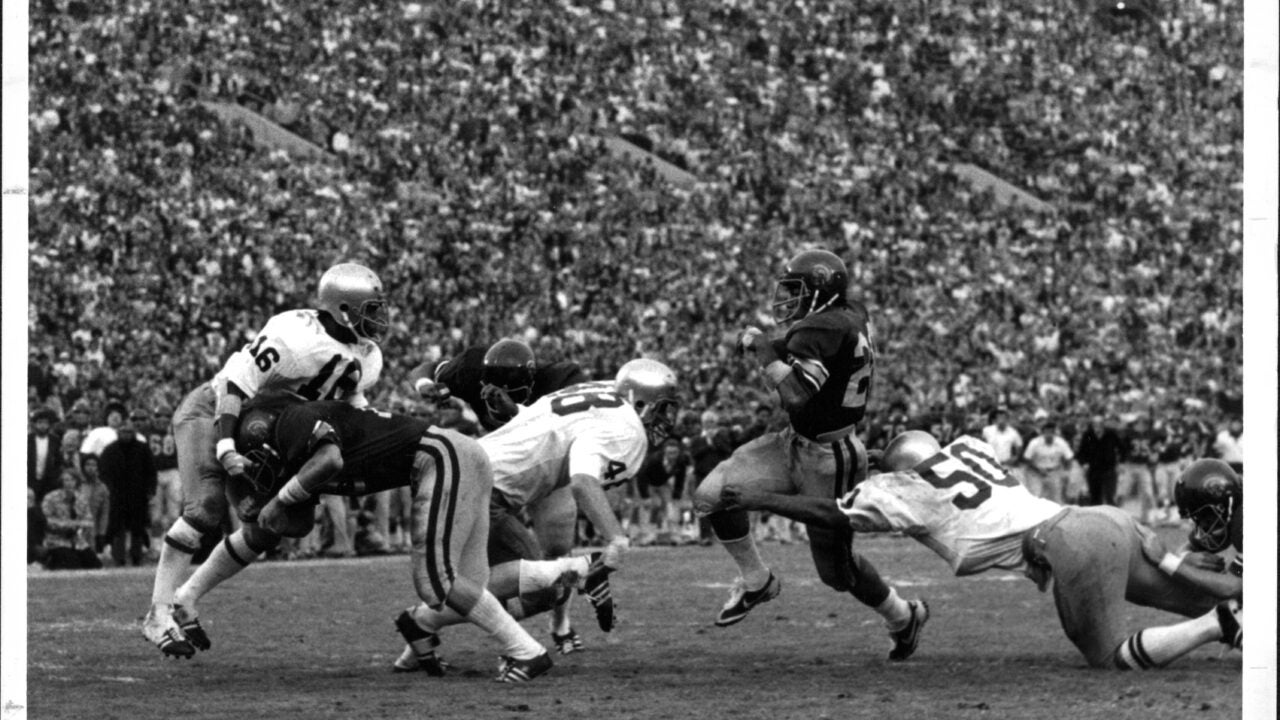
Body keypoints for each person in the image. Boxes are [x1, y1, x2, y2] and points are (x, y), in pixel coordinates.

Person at [721, 432, 1240, 669]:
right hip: (1100, 519)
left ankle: (1218, 624)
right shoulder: (971, 446)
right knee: (1199, 598)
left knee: (1107, 656)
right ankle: (1241, 604)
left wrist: (760, 499)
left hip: (1069, 544)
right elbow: (933, 462)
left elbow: (832, 515)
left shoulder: (905, 487)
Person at [170, 396, 558, 682]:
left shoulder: (294, 420)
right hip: (460, 455)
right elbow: (284, 527)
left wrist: (283, 499)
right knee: (473, 584)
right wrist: (189, 592)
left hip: (439, 458)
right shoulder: (300, 435)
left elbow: (329, 462)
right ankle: (435, 640)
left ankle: (527, 649)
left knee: (436, 580)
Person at [144, 262, 388, 658]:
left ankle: (186, 599)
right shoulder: (295, 336)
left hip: (265, 431)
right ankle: (157, 613)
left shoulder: (367, 355)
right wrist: (225, 446)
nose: (379, 318)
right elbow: (237, 383)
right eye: (371, 308)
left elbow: (351, 406)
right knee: (205, 508)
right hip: (216, 411)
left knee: (271, 525)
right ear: (343, 309)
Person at [691, 249, 925, 661]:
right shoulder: (850, 311)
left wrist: (766, 351)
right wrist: (780, 343)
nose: (787, 299)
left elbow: (797, 395)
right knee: (712, 496)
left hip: (831, 456)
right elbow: (824, 348)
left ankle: (903, 616)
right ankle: (756, 579)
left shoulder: (818, 330)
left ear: (820, 292)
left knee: (838, 573)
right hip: (793, 442)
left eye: (796, 290)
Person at [393, 359, 679, 667]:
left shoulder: (596, 392)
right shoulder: (626, 426)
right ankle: (426, 621)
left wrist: (514, 412)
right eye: (662, 407)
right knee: (542, 587)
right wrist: (616, 540)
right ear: (640, 400)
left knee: (505, 581)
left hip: (466, 473)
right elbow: (583, 481)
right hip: (482, 487)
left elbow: (548, 422)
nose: (667, 417)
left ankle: (419, 635)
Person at [409, 338, 589, 432]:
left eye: (508, 394)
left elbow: (577, 425)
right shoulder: (470, 369)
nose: (496, 398)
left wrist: (516, 411)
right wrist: (423, 384)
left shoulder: (558, 380)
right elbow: (428, 368)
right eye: (491, 389)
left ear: (530, 384)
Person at [99, 408, 159, 567]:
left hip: (138, 495)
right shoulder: (110, 450)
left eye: (129, 432)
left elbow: (151, 471)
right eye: (123, 431)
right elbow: (103, 472)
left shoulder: (142, 448)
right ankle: (119, 558)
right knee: (118, 528)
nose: (126, 434)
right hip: (116, 495)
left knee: (137, 528)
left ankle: (137, 557)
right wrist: (108, 490)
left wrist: (151, 489)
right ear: (118, 432)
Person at [38, 468, 103, 570]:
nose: (69, 483)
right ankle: (51, 562)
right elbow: (45, 520)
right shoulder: (51, 497)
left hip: (77, 541)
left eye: (72, 480)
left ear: (77, 482)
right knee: (72, 564)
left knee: (95, 565)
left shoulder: (81, 498)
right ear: (62, 482)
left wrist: (79, 526)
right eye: (66, 480)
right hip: (56, 540)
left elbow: (89, 520)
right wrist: (68, 525)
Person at [1021, 421, 1075, 503]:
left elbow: (1069, 457)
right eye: (1047, 432)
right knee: (1036, 496)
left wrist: (1066, 472)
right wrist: (1038, 469)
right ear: (1042, 433)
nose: (1049, 435)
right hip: (1035, 473)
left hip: (1054, 472)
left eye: (1051, 432)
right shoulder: (1034, 443)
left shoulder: (1061, 442)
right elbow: (1026, 459)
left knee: (1056, 499)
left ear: (1054, 433)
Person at [1076, 414, 1124, 506]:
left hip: (1109, 468)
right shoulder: (1088, 435)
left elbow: (1122, 449)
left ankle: (1112, 516)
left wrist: (1121, 463)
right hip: (1093, 469)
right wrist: (1084, 463)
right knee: (1095, 496)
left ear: (1103, 424)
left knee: (1110, 495)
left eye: (1100, 424)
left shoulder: (1111, 434)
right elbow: (1081, 453)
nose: (1097, 426)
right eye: (1095, 424)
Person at [28, 407, 64, 500]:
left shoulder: (54, 440)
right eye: (40, 423)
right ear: (35, 424)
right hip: (30, 479)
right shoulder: (28, 439)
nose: (43, 426)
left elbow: (58, 461)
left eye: (45, 423)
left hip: (48, 481)